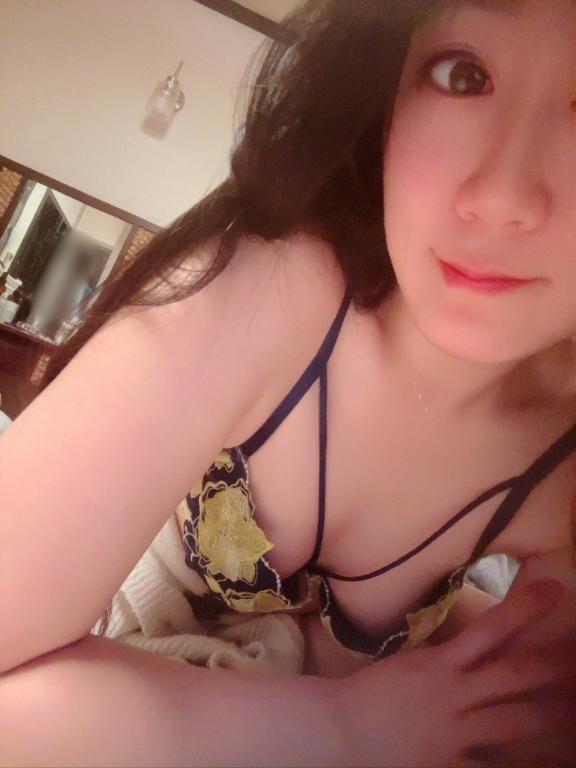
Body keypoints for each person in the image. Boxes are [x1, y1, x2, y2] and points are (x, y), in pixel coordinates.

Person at [1, 0, 575, 765]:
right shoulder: (269, 292)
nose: (501, 197)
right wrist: (346, 726)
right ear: (386, 91)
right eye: (463, 75)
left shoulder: (556, 473)